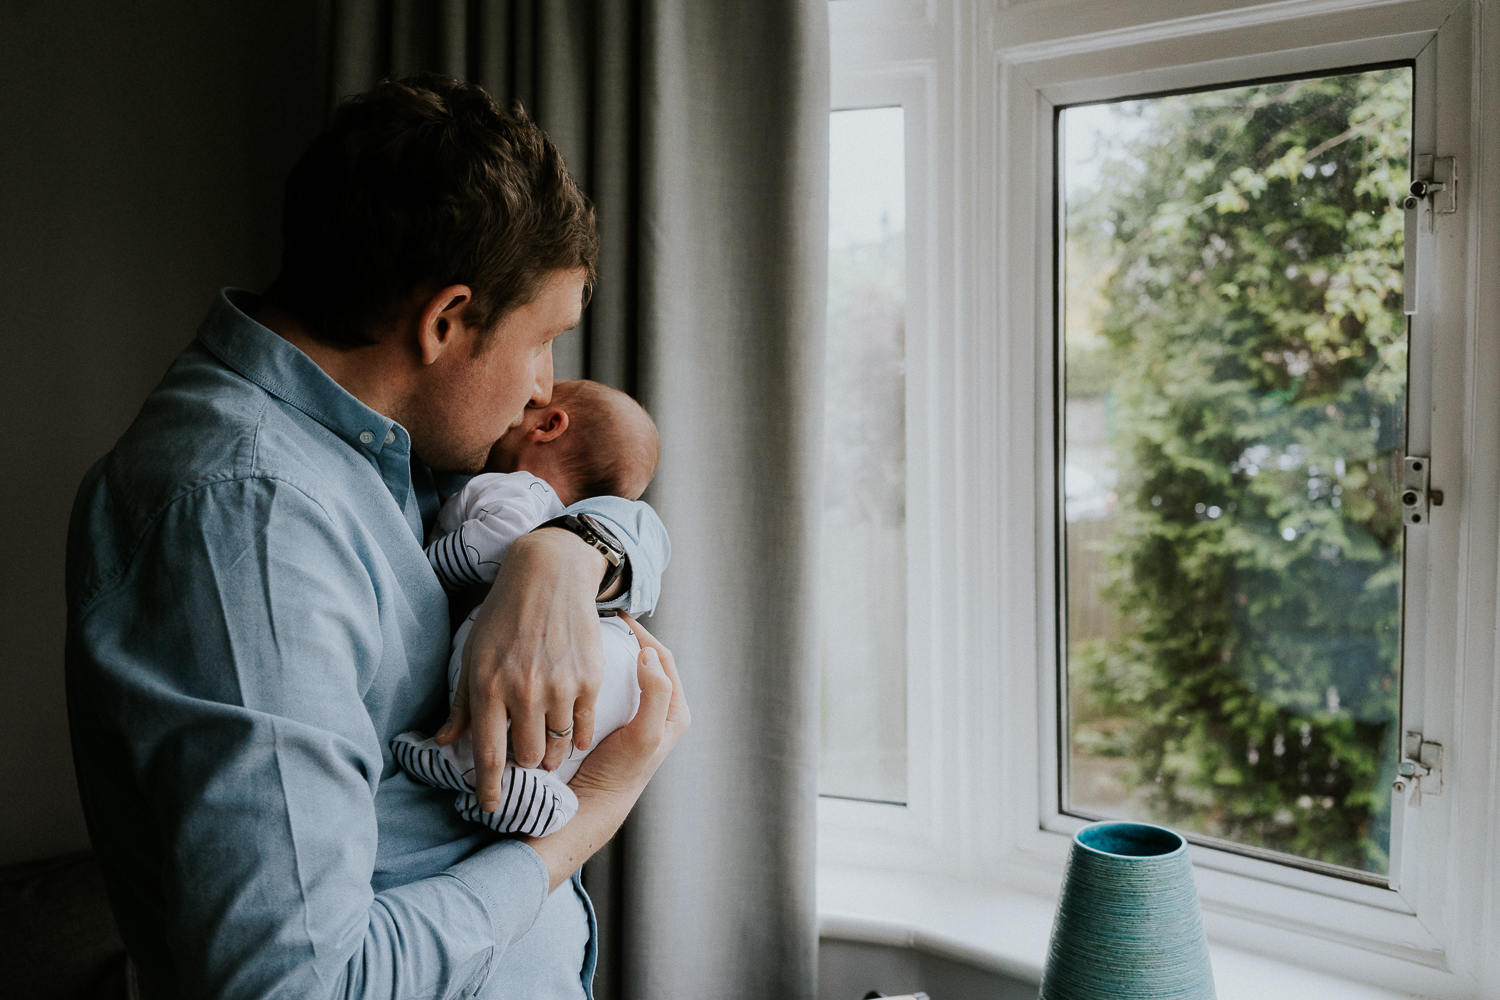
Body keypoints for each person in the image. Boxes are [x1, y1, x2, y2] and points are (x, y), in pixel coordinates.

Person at [65, 74, 688, 1000]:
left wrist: (562, 556)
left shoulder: (386, 444)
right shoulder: (250, 518)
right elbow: (297, 986)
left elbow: (627, 501)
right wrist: (588, 818)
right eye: (542, 342)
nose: (542, 391)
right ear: (443, 321)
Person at [394, 380, 663, 838]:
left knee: (489, 649)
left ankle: (462, 760)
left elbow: (494, 544)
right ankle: (537, 789)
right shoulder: (575, 515)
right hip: (619, 675)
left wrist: (421, 568)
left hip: (554, 667)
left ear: (549, 424)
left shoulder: (514, 488)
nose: (539, 381)